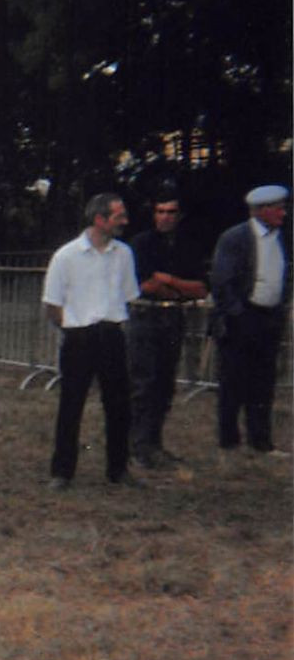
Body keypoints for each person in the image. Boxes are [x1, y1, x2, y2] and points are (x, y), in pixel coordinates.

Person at [41, 193, 142, 489]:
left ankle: (118, 470)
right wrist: (73, 329)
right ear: (100, 220)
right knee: (71, 406)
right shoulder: (66, 256)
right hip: (79, 338)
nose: (124, 221)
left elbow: (129, 295)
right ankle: (62, 472)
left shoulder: (124, 254)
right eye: (118, 216)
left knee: (119, 406)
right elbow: (52, 304)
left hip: (111, 335)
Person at [126, 188, 209, 468]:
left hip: (173, 319)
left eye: (171, 212)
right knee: (143, 383)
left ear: (180, 215)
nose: (165, 217)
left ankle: (155, 443)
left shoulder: (190, 244)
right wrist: (178, 287)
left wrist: (169, 280)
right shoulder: (141, 243)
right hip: (145, 317)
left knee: (165, 383)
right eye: (160, 211)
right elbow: (146, 285)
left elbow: (199, 288)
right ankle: (137, 446)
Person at [209, 184, 291, 460]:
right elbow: (222, 281)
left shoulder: (282, 237)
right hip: (242, 318)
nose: (284, 213)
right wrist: (238, 314)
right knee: (233, 381)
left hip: (270, 319)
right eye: (279, 208)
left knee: (263, 381)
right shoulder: (235, 238)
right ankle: (229, 441)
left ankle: (261, 441)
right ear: (263, 210)